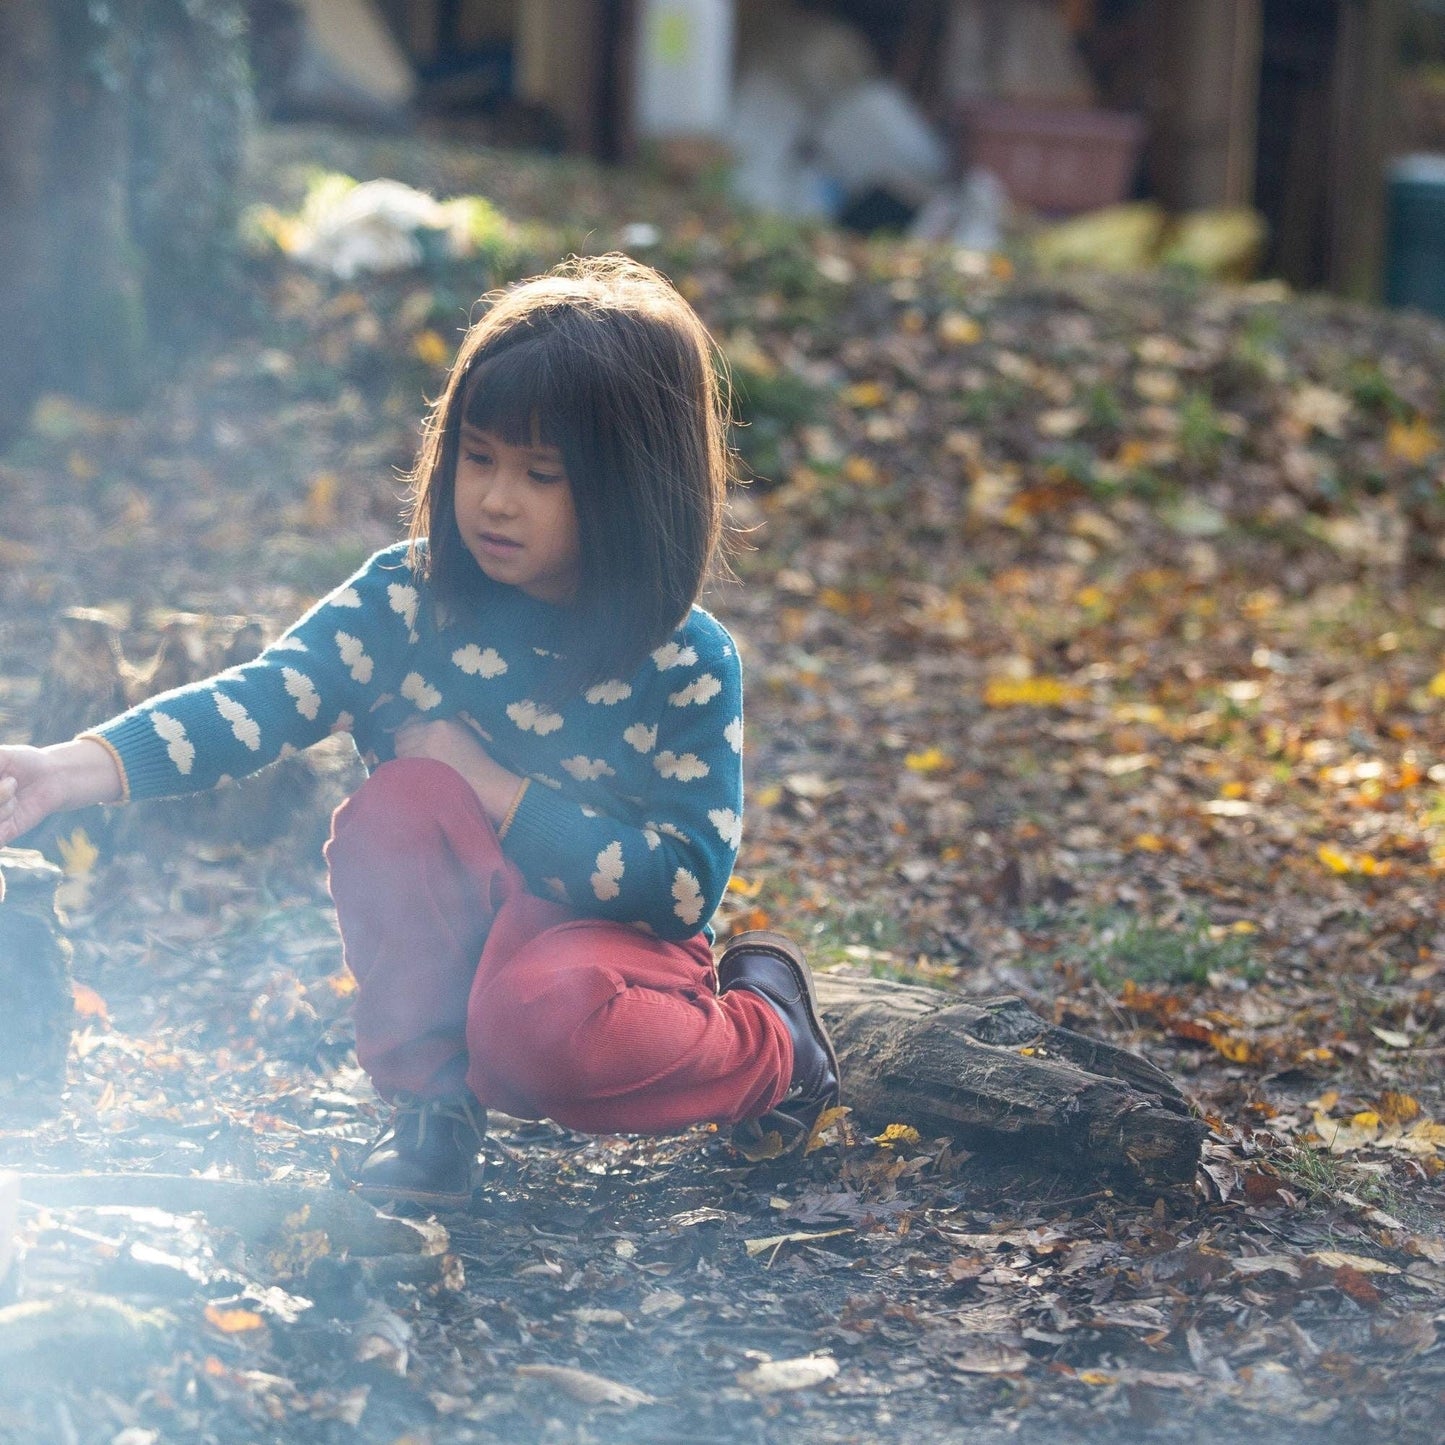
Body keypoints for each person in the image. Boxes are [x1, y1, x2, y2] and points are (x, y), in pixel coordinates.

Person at [0, 255, 839, 1207]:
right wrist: (71, 769)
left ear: (632, 488)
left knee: (531, 1025)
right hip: (472, 914)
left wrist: (495, 787)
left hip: (611, 945)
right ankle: (431, 1111)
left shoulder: (683, 659)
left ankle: (773, 1038)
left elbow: (681, 887)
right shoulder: (409, 596)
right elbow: (263, 699)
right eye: (477, 457)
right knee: (396, 807)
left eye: (540, 473)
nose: (494, 498)